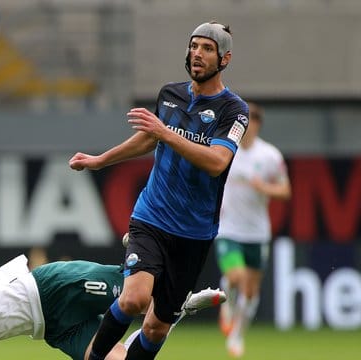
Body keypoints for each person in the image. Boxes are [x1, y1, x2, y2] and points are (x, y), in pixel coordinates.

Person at [69, 21, 249, 360]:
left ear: (224, 59)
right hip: (151, 215)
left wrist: (165, 133)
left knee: (155, 328)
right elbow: (149, 137)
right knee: (134, 299)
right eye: (194, 45)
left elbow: (215, 162)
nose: (197, 53)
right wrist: (100, 160)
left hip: (194, 233)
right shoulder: (170, 95)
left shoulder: (233, 110)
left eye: (207, 48)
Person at [0, 254, 224, 360]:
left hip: (50, 290)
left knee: (139, 293)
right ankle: (182, 310)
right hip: (51, 328)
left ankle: (140, 252)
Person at [215, 102, 291, 358]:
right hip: (229, 228)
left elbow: (285, 190)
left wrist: (264, 188)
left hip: (257, 232)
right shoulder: (227, 149)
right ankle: (227, 292)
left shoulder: (270, 156)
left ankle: (237, 334)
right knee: (237, 277)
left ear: (258, 125)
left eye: (252, 122)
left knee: (251, 292)